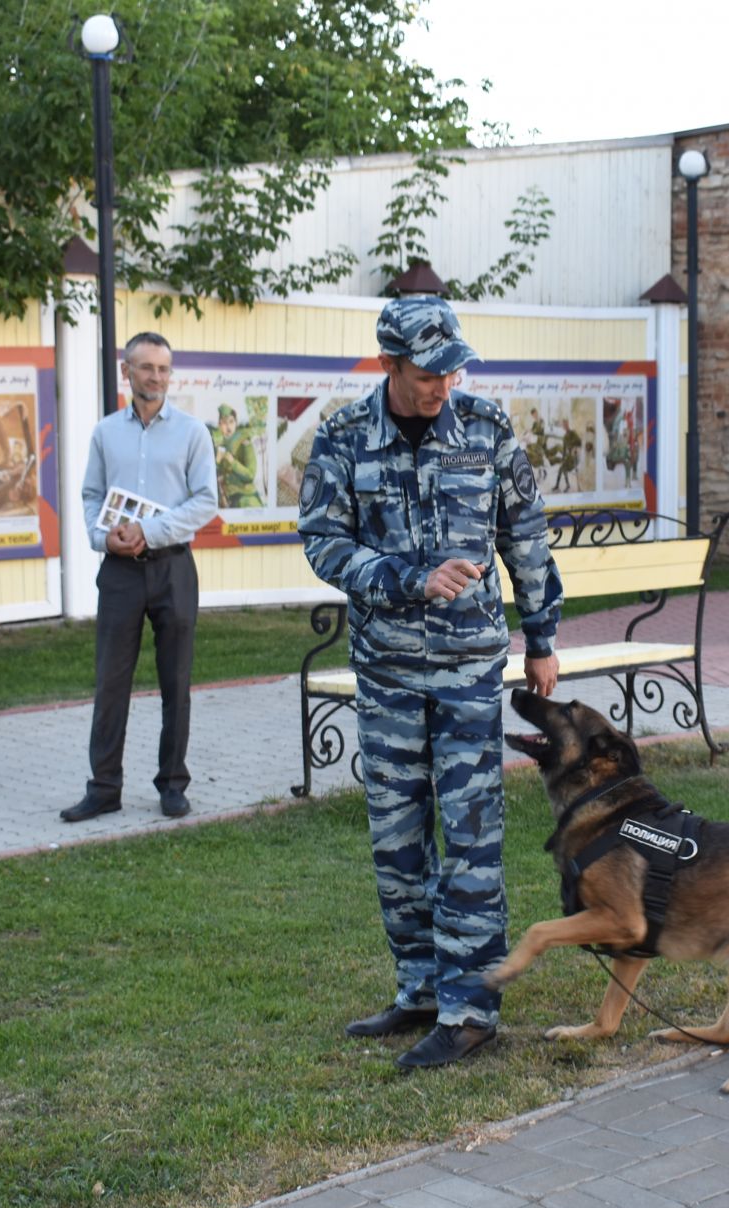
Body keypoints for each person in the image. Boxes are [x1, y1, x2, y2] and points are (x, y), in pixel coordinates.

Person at [298, 295, 562, 1071]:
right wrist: (411, 578)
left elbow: (527, 533)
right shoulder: (344, 438)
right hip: (384, 673)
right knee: (396, 840)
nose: (442, 386)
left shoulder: (485, 428)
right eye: (425, 375)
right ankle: (419, 990)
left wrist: (542, 637)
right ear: (388, 365)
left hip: (467, 671)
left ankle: (471, 1007)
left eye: (452, 370)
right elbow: (323, 541)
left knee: (471, 840)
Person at [62, 333, 220, 823]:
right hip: (120, 573)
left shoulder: (193, 432)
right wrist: (103, 538)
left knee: (176, 681)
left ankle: (173, 785)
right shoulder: (106, 433)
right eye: (146, 367)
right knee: (110, 682)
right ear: (125, 370)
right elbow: (91, 496)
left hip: (173, 567)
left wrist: (147, 532)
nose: (155, 377)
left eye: (164, 369)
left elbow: (205, 501)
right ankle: (104, 787)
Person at [210, 402, 264, 508]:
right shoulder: (219, 444)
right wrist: (217, 461)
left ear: (236, 423)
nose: (228, 427)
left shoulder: (244, 443)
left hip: (245, 496)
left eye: (231, 422)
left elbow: (250, 475)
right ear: (219, 425)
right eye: (224, 423)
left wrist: (232, 462)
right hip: (226, 497)